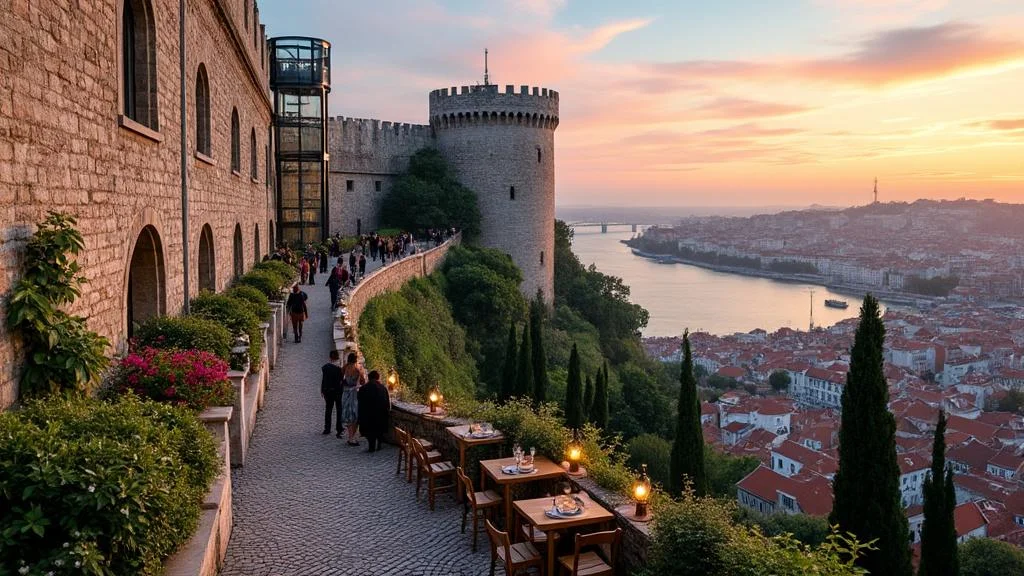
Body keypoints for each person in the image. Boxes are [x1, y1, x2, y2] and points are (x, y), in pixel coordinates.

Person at [357, 370, 391, 453]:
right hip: (380, 414)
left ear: (369, 378)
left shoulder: (363, 388)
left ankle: (371, 446)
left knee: (370, 432)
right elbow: (387, 402)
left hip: (367, 415)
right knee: (379, 431)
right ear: (378, 378)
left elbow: (359, 401)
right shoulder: (383, 388)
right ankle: (379, 443)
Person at [340, 353, 366, 446]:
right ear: (356, 360)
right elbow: (363, 381)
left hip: (345, 392)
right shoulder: (358, 368)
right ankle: (352, 438)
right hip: (354, 393)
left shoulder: (344, 368)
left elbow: (341, 379)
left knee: (347, 415)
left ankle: (350, 437)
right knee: (354, 416)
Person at [321, 350, 344, 436]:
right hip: (337, 391)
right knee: (339, 410)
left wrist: (322, 390)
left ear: (330, 358)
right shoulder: (339, 369)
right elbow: (342, 381)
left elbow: (324, 380)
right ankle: (339, 427)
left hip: (328, 391)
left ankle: (327, 428)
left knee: (328, 409)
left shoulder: (325, 367)